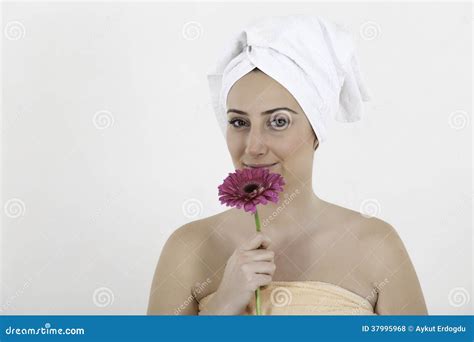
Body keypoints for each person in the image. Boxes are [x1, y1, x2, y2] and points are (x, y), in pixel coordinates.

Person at [147, 15, 428, 315]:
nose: (253, 146)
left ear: (316, 131)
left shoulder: (376, 246)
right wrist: (223, 304)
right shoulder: (188, 249)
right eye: (239, 122)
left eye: (278, 121)